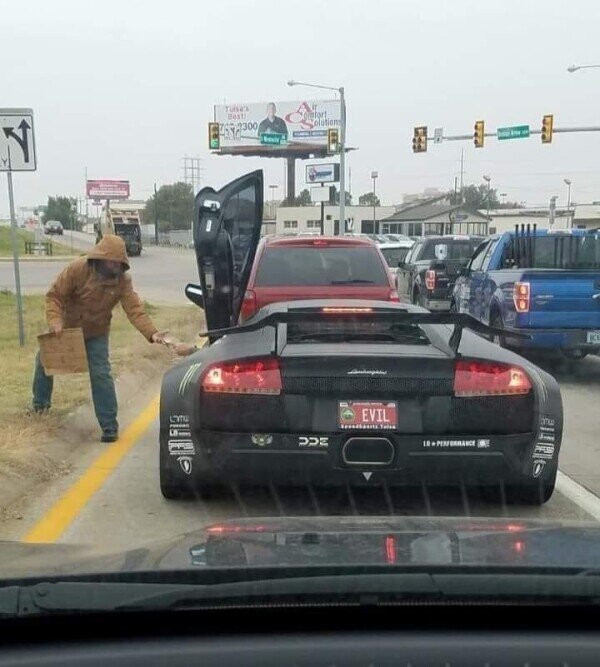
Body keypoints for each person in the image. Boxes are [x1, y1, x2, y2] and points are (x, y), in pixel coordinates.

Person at [31, 235, 168, 442]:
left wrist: (152, 333)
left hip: (97, 332)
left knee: (101, 374)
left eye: (119, 262)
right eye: (112, 261)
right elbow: (54, 297)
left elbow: (134, 310)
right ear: (100, 257)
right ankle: (40, 406)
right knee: (43, 360)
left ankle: (109, 425)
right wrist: (55, 321)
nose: (115, 266)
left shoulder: (123, 281)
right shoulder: (77, 269)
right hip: (66, 328)